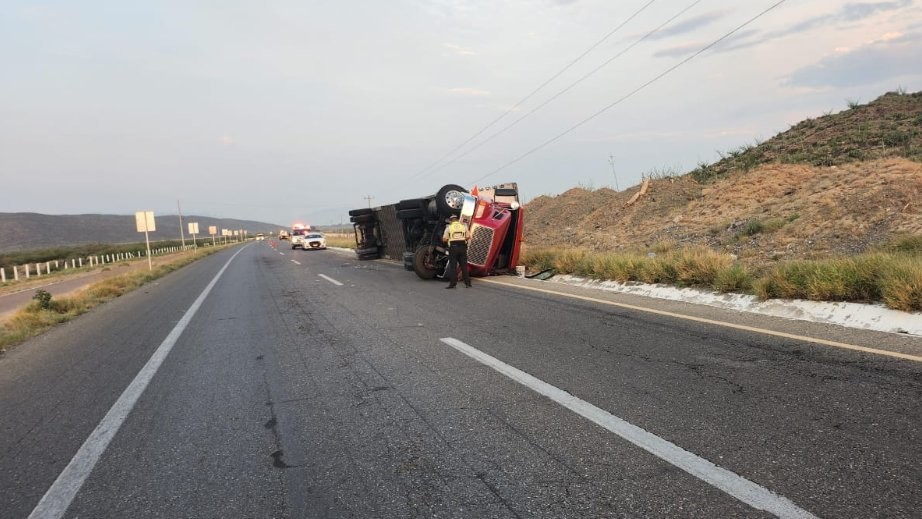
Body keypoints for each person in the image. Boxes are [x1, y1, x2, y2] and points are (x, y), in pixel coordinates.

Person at [441, 214, 471, 288]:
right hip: (462, 248)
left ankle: (453, 284)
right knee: (464, 266)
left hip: (453, 248)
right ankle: (468, 284)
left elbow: (444, 239)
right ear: (457, 220)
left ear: (451, 221)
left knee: (453, 267)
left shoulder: (449, 227)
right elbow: (468, 237)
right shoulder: (463, 226)